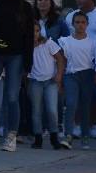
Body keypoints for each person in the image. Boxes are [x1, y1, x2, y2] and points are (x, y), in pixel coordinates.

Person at [0, 0, 34, 152]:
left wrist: (27, 63)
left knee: (12, 96)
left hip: (16, 55)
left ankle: (11, 136)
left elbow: (29, 36)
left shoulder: (25, 7)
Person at [65, 0, 96, 140]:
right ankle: (76, 125)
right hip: (75, 62)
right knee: (76, 97)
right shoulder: (71, 16)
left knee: (95, 96)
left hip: (95, 62)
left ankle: (93, 125)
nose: (78, 0)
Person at [59, 11, 96, 149]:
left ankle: (85, 136)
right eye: (77, 22)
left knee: (85, 106)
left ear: (87, 24)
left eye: (83, 22)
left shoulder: (93, 42)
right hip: (71, 75)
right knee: (71, 104)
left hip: (88, 75)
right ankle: (68, 135)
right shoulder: (65, 41)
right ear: (72, 24)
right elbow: (62, 60)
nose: (80, 25)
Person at [28, 22, 67, 150]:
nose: (34, 33)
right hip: (34, 81)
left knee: (52, 110)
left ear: (40, 32)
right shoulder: (26, 47)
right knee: (36, 110)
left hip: (50, 81)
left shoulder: (48, 43)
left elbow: (60, 58)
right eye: (32, 31)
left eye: (37, 31)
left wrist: (59, 75)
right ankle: (38, 137)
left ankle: (54, 136)